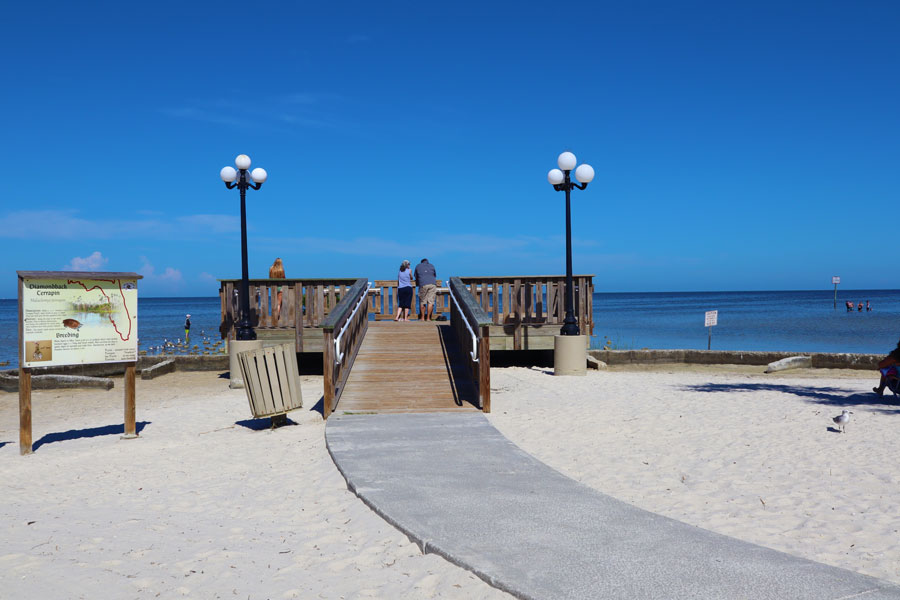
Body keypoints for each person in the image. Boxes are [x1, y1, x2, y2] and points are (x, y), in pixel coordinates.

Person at [269, 258, 286, 322]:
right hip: (280, 287)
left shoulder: (271, 269)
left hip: (273, 287)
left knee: (274, 303)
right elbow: (284, 278)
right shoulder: (281, 270)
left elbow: (270, 277)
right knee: (279, 303)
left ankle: (275, 316)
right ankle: (276, 317)